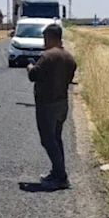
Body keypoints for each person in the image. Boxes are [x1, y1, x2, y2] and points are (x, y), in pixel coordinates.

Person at [26, 24, 77, 190]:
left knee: (48, 140)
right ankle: (56, 172)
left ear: (50, 37)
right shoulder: (69, 58)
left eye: (45, 38)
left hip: (47, 104)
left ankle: (61, 177)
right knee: (56, 139)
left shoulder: (47, 56)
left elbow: (34, 75)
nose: (44, 42)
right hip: (62, 102)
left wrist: (30, 67)